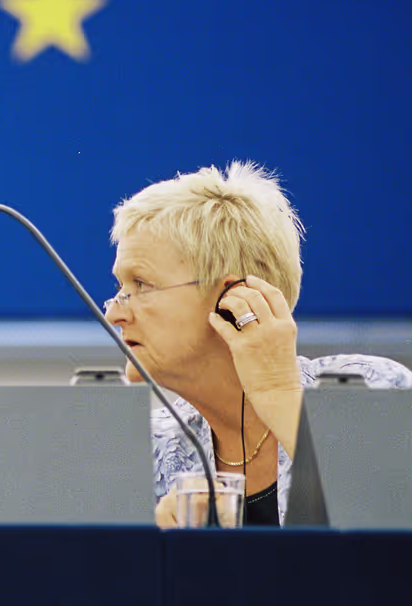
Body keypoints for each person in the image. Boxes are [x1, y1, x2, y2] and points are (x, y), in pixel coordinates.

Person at [104, 162, 411, 526]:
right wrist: (151, 554)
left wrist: (281, 396)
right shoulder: (151, 453)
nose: (114, 316)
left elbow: (391, 520)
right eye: (120, 289)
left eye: (142, 284)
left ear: (235, 300)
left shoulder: (374, 390)